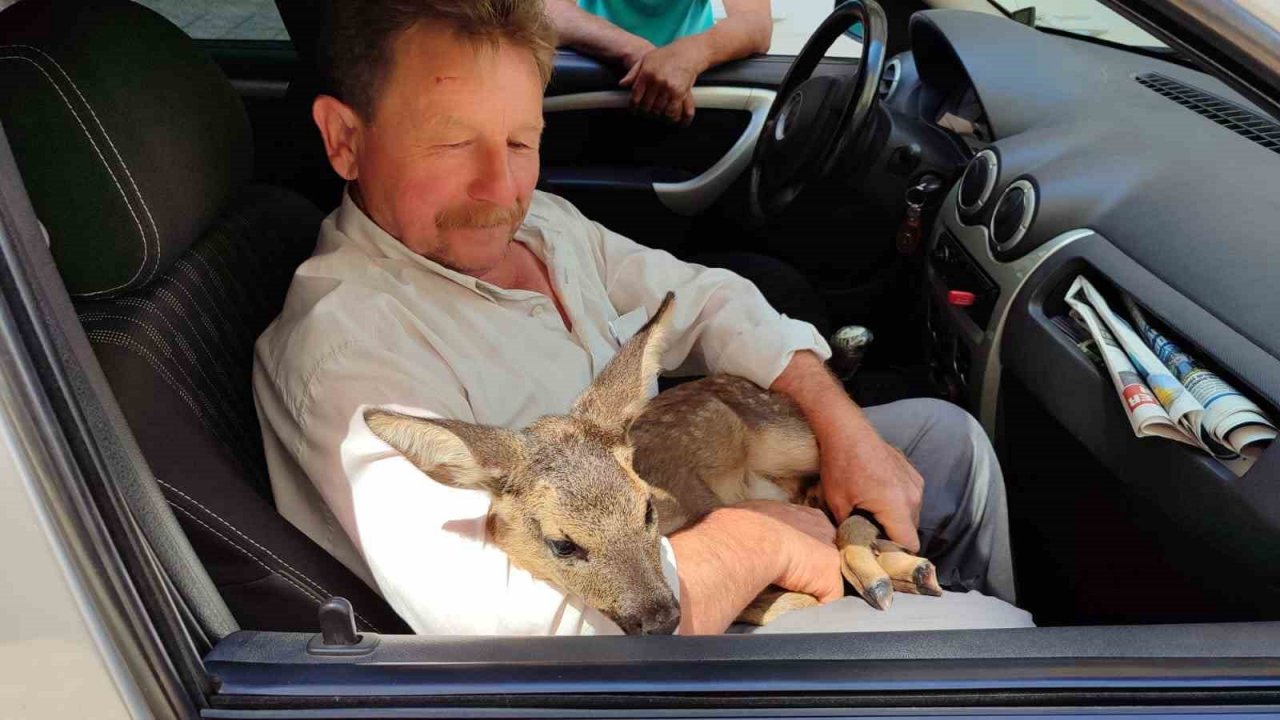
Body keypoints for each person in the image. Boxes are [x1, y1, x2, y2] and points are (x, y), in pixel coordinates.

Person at [252, 0, 1029, 635]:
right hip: (655, 633)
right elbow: (527, 633)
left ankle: (928, 593)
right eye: (454, 142)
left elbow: (700, 297)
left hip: (682, 492)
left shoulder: (545, 224)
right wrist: (761, 539)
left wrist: (841, 428)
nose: (500, 187)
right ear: (345, 139)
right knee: (1002, 641)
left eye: (521, 140)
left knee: (947, 441)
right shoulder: (347, 353)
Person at [546, 0, 772, 124]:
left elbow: (755, 23)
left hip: (695, 92)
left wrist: (689, 54)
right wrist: (636, 50)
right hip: (591, 85)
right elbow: (548, 11)